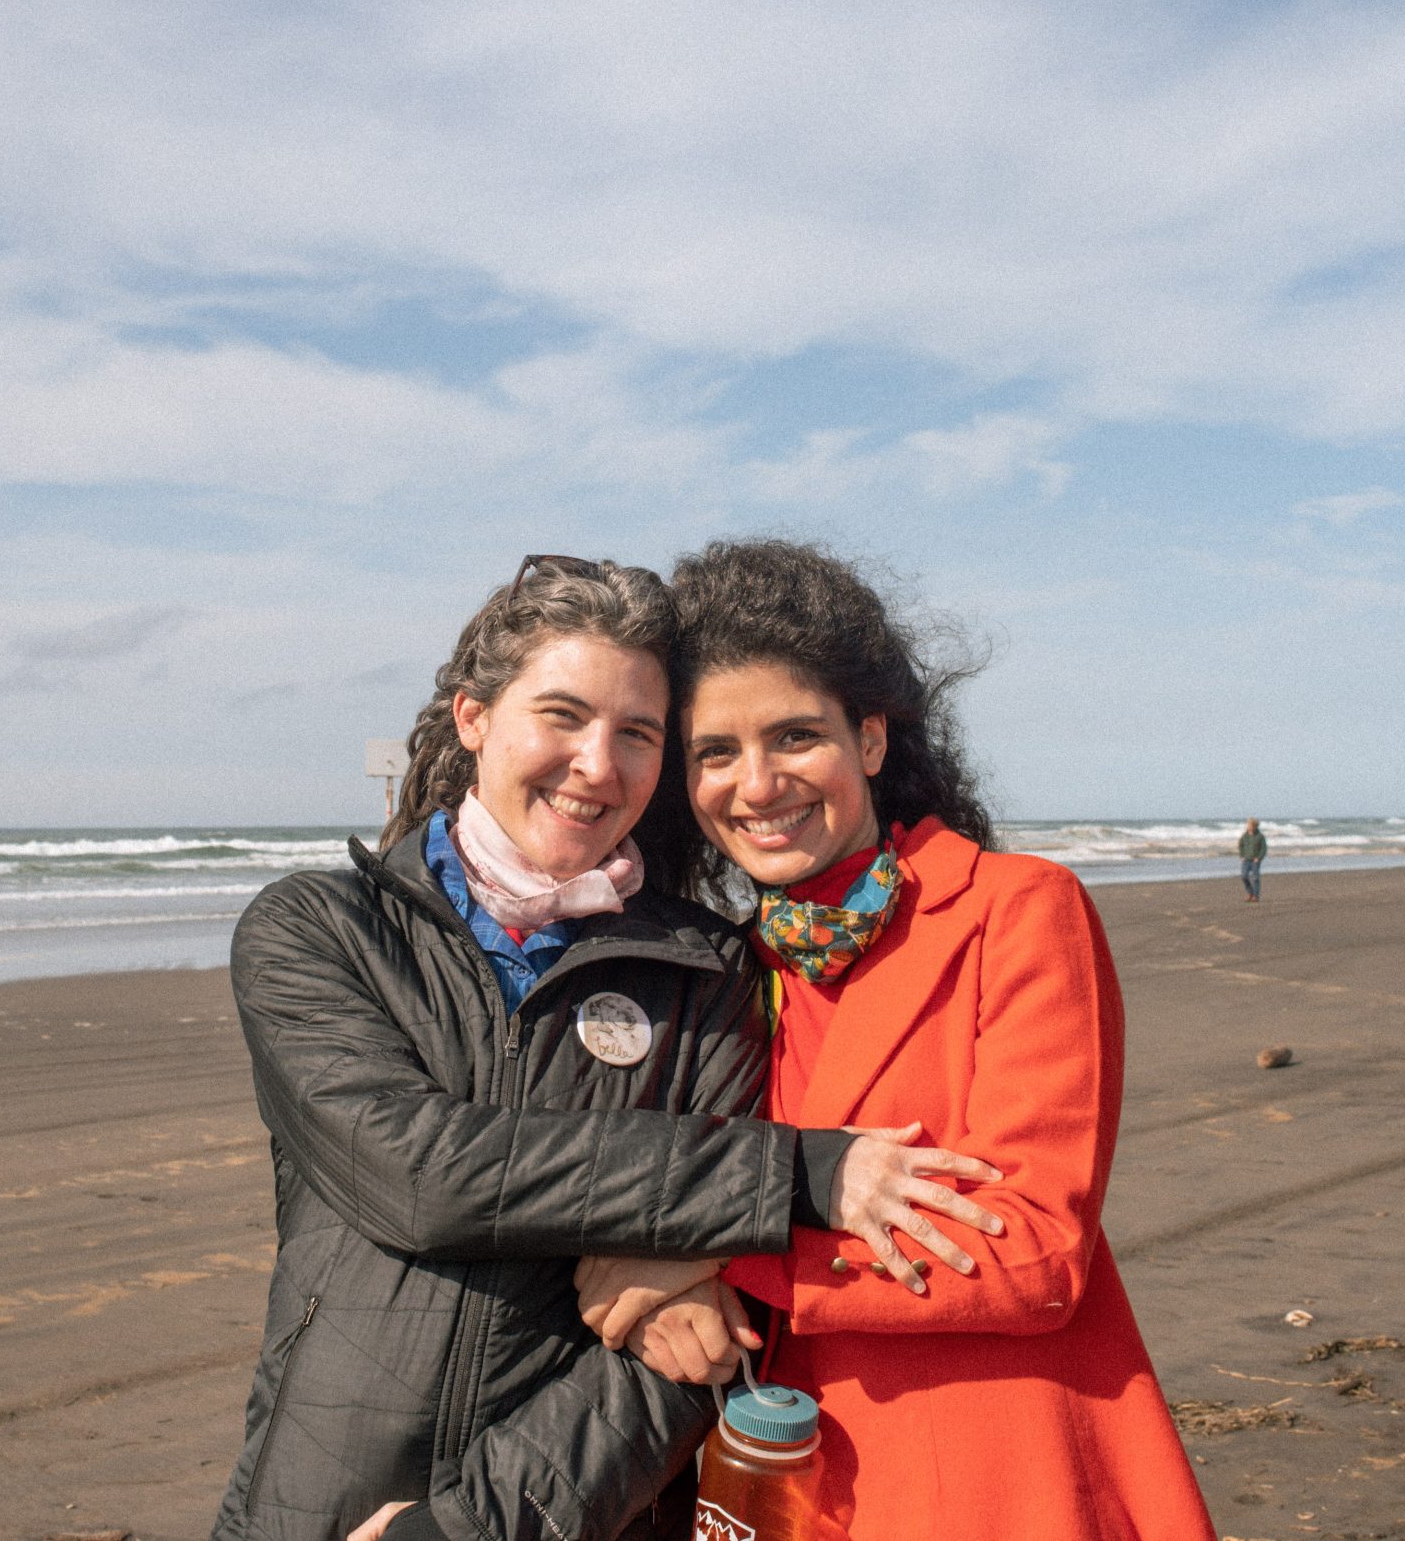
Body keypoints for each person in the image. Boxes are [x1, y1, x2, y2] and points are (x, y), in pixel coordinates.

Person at [212, 555, 997, 1541]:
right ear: (473, 717)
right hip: (315, 1503)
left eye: (637, 733)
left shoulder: (706, 968)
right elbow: (419, 1175)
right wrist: (793, 1172)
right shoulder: (321, 929)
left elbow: (695, 1342)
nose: (597, 764)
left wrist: (467, 1528)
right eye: (562, 715)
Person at [578, 540, 1216, 1541]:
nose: (757, 784)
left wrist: (723, 1256)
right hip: (793, 1479)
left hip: (1005, 1469)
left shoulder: (1015, 909)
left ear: (870, 738)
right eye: (715, 751)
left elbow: (1036, 1248)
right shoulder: (723, 968)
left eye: (795, 736)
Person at [1238, 817, 1267, 902]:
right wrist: (1242, 855)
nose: (1248, 827)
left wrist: (1259, 857)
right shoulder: (1245, 836)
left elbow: (1264, 848)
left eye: (1250, 825)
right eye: (1248, 825)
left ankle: (1255, 896)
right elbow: (1240, 845)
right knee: (1244, 876)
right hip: (1246, 860)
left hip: (1255, 860)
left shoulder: (1260, 836)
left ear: (1254, 826)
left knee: (1255, 878)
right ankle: (1250, 893)